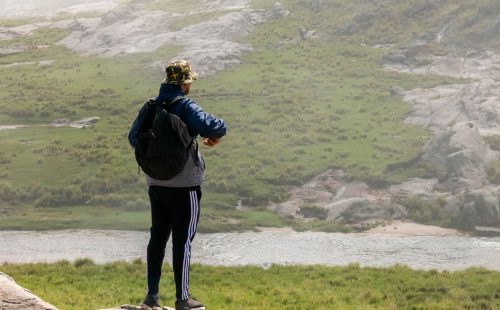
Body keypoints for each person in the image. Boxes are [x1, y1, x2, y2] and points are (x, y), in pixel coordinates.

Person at [129, 60, 227, 310]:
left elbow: (133, 138)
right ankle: (183, 299)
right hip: (186, 186)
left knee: (157, 238)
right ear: (185, 83)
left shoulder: (151, 105)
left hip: (156, 183)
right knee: (182, 241)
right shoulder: (184, 104)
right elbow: (211, 125)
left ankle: (151, 297)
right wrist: (217, 131)